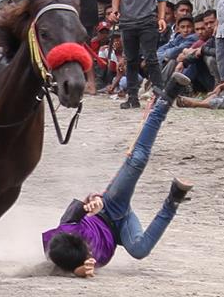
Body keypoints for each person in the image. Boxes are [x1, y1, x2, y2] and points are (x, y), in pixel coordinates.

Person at [43, 74, 193, 278]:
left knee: (138, 160)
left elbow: (84, 204)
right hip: (121, 227)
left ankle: (165, 100)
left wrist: (94, 201)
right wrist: (77, 271)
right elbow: (60, 267)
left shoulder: (65, 229)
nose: (91, 255)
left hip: (110, 207)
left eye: (87, 251)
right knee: (139, 250)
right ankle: (173, 200)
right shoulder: (72, 260)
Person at [107, 0, 167, 109]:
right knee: (131, 59)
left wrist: (161, 18)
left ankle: (159, 94)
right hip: (127, 21)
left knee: (151, 58)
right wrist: (115, 9)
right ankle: (132, 96)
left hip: (148, 20)